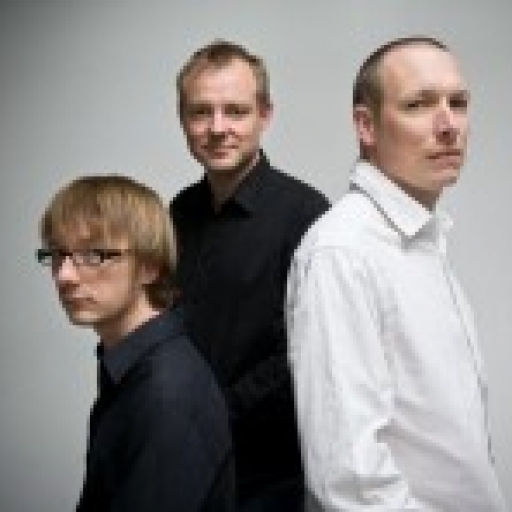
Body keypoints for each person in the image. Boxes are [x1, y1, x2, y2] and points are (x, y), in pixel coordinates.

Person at [286, 36, 508, 511]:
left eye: (458, 103)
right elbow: (351, 481)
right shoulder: (343, 252)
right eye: (418, 105)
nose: (448, 125)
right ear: (366, 125)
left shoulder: (424, 237)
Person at [171, 39, 330, 510]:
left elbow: (303, 349)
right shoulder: (177, 212)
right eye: (201, 112)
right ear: (182, 120)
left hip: (267, 476)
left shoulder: (307, 214)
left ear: (265, 115)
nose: (217, 128)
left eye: (236, 112)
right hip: (185, 459)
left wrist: (215, 412)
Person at [36, 175, 235, 512]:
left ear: (149, 267)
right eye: (58, 254)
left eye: (94, 255)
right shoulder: (132, 364)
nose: (64, 275)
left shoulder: (166, 395)